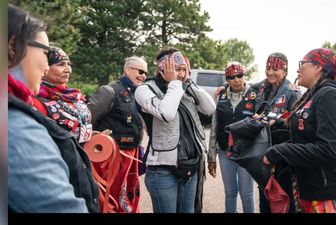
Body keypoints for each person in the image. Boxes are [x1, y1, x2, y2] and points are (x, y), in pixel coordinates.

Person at [8, 4, 97, 212]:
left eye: (68, 63)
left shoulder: (74, 96)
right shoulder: (17, 127)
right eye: (46, 53)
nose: (46, 66)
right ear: (13, 47)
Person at [263, 48, 336, 213]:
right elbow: (307, 134)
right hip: (315, 189)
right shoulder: (313, 94)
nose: (298, 69)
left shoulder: (329, 95)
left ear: (318, 67)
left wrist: (280, 151)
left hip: (333, 194)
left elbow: (329, 150)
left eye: (302, 64)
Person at [134, 47, 216, 213]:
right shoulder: (145, 89)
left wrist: (189, 83)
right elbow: (167, 113)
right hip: (163, 170)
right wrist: (176, 84)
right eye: (176, 69)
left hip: (191, 166)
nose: (180, 73)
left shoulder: (184, 87)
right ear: (162, 68)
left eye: (184, 69)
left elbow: (210, 108)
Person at [87, 56, 148, 213]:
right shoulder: (109, 90)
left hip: (131, 155)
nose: (143, 76)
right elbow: (87, 118)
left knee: (129, 196)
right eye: (140, 71)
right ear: (128, 70)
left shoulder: (138, 93)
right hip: (110, 159)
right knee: (110, 198)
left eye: (146, 73)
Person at [251, 53, 302, 213]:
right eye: (268, 68)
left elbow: (297, 122)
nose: (270, 72)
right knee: (265, 198)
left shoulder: (293, 93)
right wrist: (225, 87)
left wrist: (277, 119)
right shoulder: (259, 88)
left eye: (275, 69)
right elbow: (242, 89)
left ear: (285, 71)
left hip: (283, 157)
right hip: (262, 153)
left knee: (285, 200)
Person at [207, 62, 255, 213]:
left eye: (239, 75)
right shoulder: (220, 95)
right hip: (224, 151)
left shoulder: (254, 94)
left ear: (244, 76)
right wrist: (211, 157)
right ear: (226, 79)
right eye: (231, 77)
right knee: (230, 193)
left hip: (246, 152)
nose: (236, 79)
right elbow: (214, 127)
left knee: (246, 194)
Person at [32, 47, 92, 144]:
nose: (68, 70)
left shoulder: (74, 95)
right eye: (61, 65)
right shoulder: (35, 100)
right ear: (44, 67)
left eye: (68, 64)